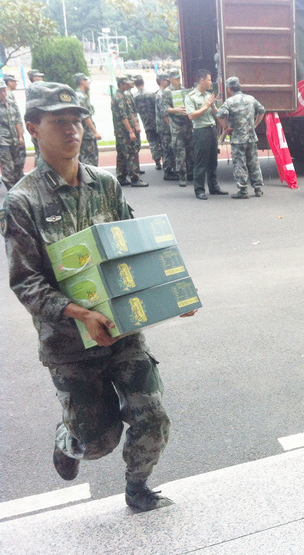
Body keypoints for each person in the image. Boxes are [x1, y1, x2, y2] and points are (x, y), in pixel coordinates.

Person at [0, 81, 192, 512]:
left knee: (152, 418)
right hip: (69, 343)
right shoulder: (22, 202)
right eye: (59, 122)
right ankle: (69, 440)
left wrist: (171, 292)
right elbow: (26, 282)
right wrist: (80, 314)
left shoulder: (104, 184)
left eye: (77, 121)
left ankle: (137, 488)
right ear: (33, 128)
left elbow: (133, 247)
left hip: (122, 330)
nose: (72, 130)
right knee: (98, 440)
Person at [216, 76, 266, 199]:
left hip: (238, 139)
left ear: (229, 89)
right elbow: (262, 111)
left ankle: (243, 191)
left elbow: (219, 115)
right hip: (251, 137)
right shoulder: (251, 99)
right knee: (253, 162)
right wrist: (255, 124)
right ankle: (258, 189)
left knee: (240, 164)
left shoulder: (229, 102)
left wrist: (226, 128)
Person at [185, 68, 227, 200]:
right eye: (209, 80)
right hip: (201, 131)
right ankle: (199, 190)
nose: (211, 82)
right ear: (202, 80)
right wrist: (206, 106)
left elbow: (215, 113)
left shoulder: (209, 95)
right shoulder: (191, 97)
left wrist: (213, 106)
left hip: (211, 129)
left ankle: (214, 188)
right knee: (201, 162)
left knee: (213, 161)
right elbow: (191, 116)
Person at [111, 76, 146, 187]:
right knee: (131, 153)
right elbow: (123, 116)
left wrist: (135, 124)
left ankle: (121, 177)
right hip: (123, 131)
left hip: (123, 130)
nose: (128, 85)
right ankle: (135, 178)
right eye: (126, 83)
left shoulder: (124, 95)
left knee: (122, 154)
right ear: (121, 84)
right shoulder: (119, 97)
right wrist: (130, 131)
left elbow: (130, 112)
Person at [162, 69, 194, 185]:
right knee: (179, 151)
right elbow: (165, 109)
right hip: (176, 126)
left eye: (179, 77)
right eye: (175, 78)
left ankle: (191, 172)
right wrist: (177, 110)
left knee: (190, 150)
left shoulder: (184, 90)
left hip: (187, 124)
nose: (178, 80)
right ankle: (181, 176)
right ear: (170, 79)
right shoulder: (167, 92)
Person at [133, 75, 163, 171]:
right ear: (143, 82)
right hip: (157, 122)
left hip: (146, 123)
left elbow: (134, 112)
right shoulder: (151, 94)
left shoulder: (134, 97)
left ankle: (157, 162)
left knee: (153, 142)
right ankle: (165, 160)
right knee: (162, 142)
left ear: (135, 84)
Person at [0, 79, 25, 190]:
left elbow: (17, 120)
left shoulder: (11, 102)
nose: (3, 93)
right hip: (3, 142)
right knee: (8, 168)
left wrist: (20, 136)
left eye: (3, 90)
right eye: (0, 91)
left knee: (18, 165)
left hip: (14, 139)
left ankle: (19, 190)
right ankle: (12, 192)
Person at [73, 73, 101, 166]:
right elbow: (85, 116)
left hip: (85, 133)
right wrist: (95, 131)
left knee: (88, 158)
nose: (88, 83)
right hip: (86, 134)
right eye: (87, 81)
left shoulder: (81, 95)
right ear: (82, 82)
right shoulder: (80, 96)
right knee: (89, 159)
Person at [155, 73, 178, 181]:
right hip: (165, 127)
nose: (169, 82)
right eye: (166, 80)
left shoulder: (163, 93)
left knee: (169, 148)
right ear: (161, 81)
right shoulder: (161, 95)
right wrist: (171, 126)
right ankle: (168, 171)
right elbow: (164, 114)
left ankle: (171, 169)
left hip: (165, 127)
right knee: (167, 149)